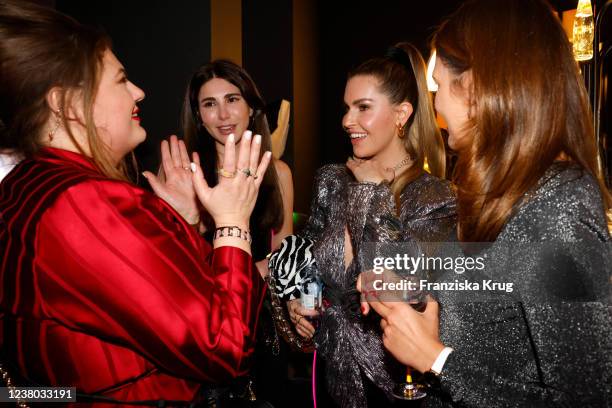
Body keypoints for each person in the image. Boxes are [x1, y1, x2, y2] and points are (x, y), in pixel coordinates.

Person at [0, 1, 271, 406]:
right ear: (68, 105)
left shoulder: (24, 183)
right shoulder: (83, 200)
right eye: (121, 80)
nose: (138, 92)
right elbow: (224, 346)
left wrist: (179, 221)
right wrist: (233, 221)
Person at [359, 0, 612, 407]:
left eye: (439, 88)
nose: (436, 108)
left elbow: (587, 398)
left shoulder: (559, 204)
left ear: (477, 87)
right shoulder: (503, 190)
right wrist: (411, 290)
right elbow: (496, 305)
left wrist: (435, 359)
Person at [273, 43, 456, 407]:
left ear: (402, 114)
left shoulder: (434, 196)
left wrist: (371, 194)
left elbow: (402, 286)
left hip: (393, 386)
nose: (346, 120)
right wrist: (298, 303)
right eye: (346, 108)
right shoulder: (330, 180)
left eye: (363, 108)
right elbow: (310, 264)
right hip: (328, 378)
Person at [145, 60, 294, 406]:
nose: (223, 114)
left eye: (232, 99)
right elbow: (169, 265)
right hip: (204, 324)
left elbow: (284, 250)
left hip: (262, 323)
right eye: (209, 104)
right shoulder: (182, 176)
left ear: (252, 106)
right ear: (198, 115)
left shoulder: (279, 173)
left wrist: (253, 273)